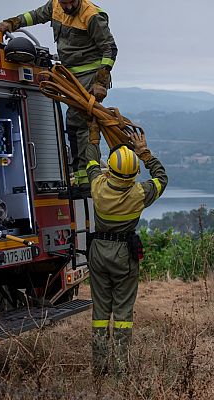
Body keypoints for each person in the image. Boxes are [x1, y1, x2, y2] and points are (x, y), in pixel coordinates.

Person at [0, 0, 118, 198]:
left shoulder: (91, 14)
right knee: (74, 125)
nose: (68, 7)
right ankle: (82, 180)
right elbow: (33, 16)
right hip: (70, 76)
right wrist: (11, 23)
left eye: (71, 3)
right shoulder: (55, 6)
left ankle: (87, 182)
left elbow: (110, 49)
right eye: (64, 3)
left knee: (79, 123)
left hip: (90, 75)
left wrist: (101, 81)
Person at [86, 126, 167, 376]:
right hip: (124, 253)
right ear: (133, 174)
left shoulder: (98, 186)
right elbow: (161, 178)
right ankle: (121, 367)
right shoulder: (140, 193)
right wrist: (145, 153)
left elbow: (90, 161)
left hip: (98, 251)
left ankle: (99, 366)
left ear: (109, 170)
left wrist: (93, 135)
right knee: (122, 311)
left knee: (100, 311)